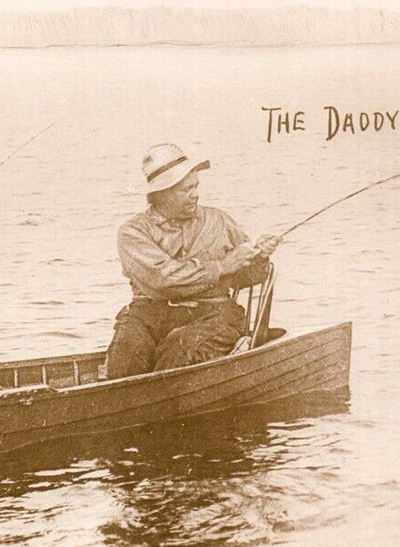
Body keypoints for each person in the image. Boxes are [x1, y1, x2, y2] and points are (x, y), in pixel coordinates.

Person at [105, 143, 281, 378]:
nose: (195, 194)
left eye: (195, 186)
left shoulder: (218, 220)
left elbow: (247, 277)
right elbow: (163, 279)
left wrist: (259, 256)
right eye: (185, 190)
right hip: (148, 314)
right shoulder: (132, 232)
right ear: (161, 195)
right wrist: (222, 266)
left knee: (179, 348)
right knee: (125, 360)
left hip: (213, 313)